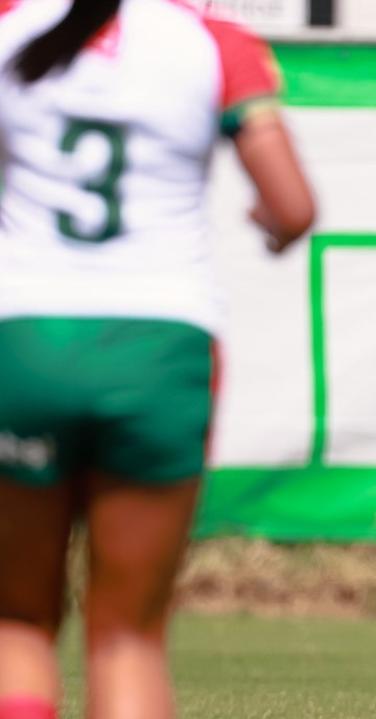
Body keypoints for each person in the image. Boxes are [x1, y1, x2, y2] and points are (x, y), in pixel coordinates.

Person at [0, 1, 314, 718]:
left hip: (22, 338)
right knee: (127, 636)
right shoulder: (214, 42)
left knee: (17, 621)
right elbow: (292, 206)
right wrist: (265, 227)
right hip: (161, 345)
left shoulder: (8, 23)